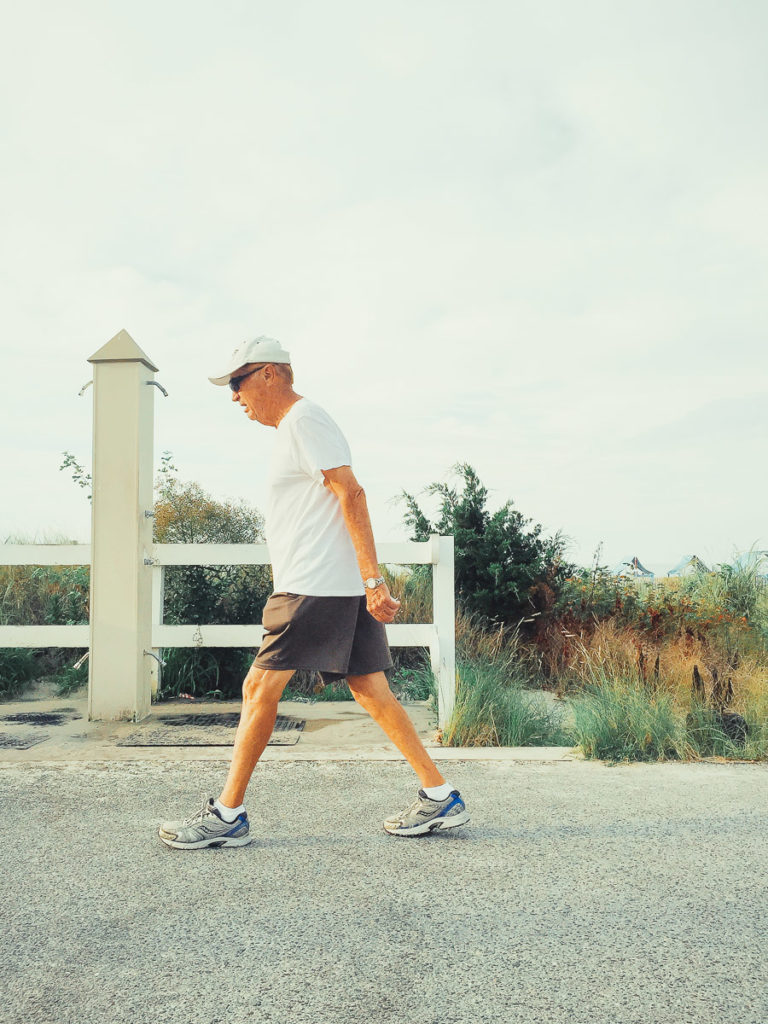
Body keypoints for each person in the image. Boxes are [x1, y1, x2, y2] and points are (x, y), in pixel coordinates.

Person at [157, 336, 469, 849]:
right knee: (370, 689)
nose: (235, 397)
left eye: (238, 383)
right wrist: (363, 583)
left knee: (259, 690)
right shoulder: (293, 430)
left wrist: (373, 579)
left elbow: (351, 491)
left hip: (315, 586)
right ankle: (440, 797)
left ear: (270, 375)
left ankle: (228, 814)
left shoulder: (305, 420)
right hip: (332, 585)